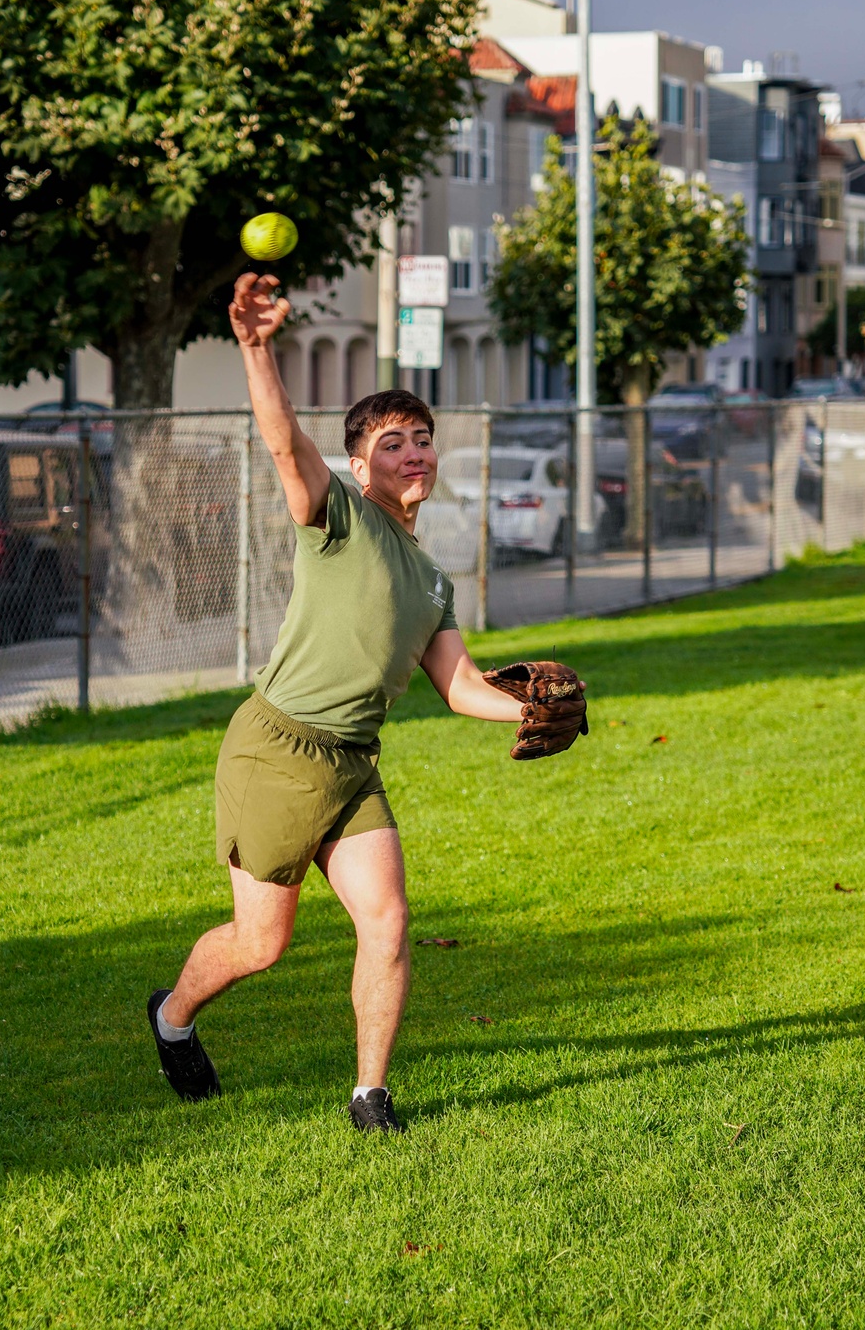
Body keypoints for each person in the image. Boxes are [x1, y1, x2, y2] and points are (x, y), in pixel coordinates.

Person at [148, 271, 526, 1134]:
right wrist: (256, 346)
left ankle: (370, 1095)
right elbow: (283, 445)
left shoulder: (433, 577)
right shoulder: (340, 517)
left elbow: (462, 685)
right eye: (394, 442)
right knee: (260, 945)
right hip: (277, 749)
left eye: (424, 438)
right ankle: (172, 1017)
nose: (414, 452)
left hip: (353, 761)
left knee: (388, 922)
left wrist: (533, 710)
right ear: (361, 464)